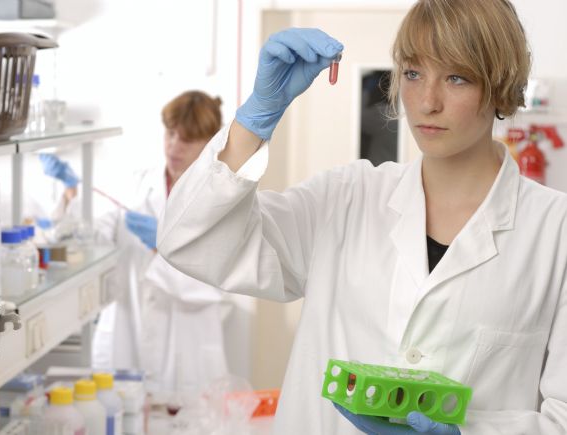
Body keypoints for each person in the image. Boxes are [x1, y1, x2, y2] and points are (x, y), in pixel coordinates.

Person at [157, 2, 567, 434]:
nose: (427, 102)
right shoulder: (346, 197)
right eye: (413, 73)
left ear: (501, 86)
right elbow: (191, 240)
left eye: (456, 78)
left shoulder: (555, 231)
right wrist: (254, 120)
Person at [40, 90, 230, 394]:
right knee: (120, 409)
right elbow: (96, 238)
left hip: (185, 349)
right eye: (170, 134)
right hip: (127, 335)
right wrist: (73, 192)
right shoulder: (136, 184)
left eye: (186, 139)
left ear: (209, 143)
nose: (174, 146)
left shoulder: (220, 199)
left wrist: (163, 247)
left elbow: (217, 284)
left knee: (183, 413)